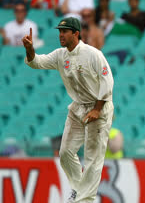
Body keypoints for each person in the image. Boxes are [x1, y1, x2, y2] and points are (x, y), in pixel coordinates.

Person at [22, 17, 114, 203]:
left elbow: (108, 82)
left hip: (99, 107)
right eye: (59, 32)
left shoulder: (93, 54)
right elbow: (36, 62)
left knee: (93, 157)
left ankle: (85, 199)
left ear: (76, 33)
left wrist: (97, 109)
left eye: (64, 32)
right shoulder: (60, 55)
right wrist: (30, 49)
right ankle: (78, 190)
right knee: (65, 153)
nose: (60, 35)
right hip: (77, 107)